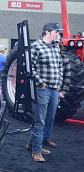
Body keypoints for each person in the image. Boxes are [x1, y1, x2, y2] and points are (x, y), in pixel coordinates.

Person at [27, 22, 63, 162]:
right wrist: (40, 83)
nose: (58, 34)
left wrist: (59, 83)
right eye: (56, 32)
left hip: (54, 89)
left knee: (48, 119)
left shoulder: (55, 47)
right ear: (48, 32)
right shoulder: (36, 46)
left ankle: (31, 144)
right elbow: (31, 68)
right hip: (42, 89)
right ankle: (36, 151)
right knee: (40, 121)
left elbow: (60, 66)